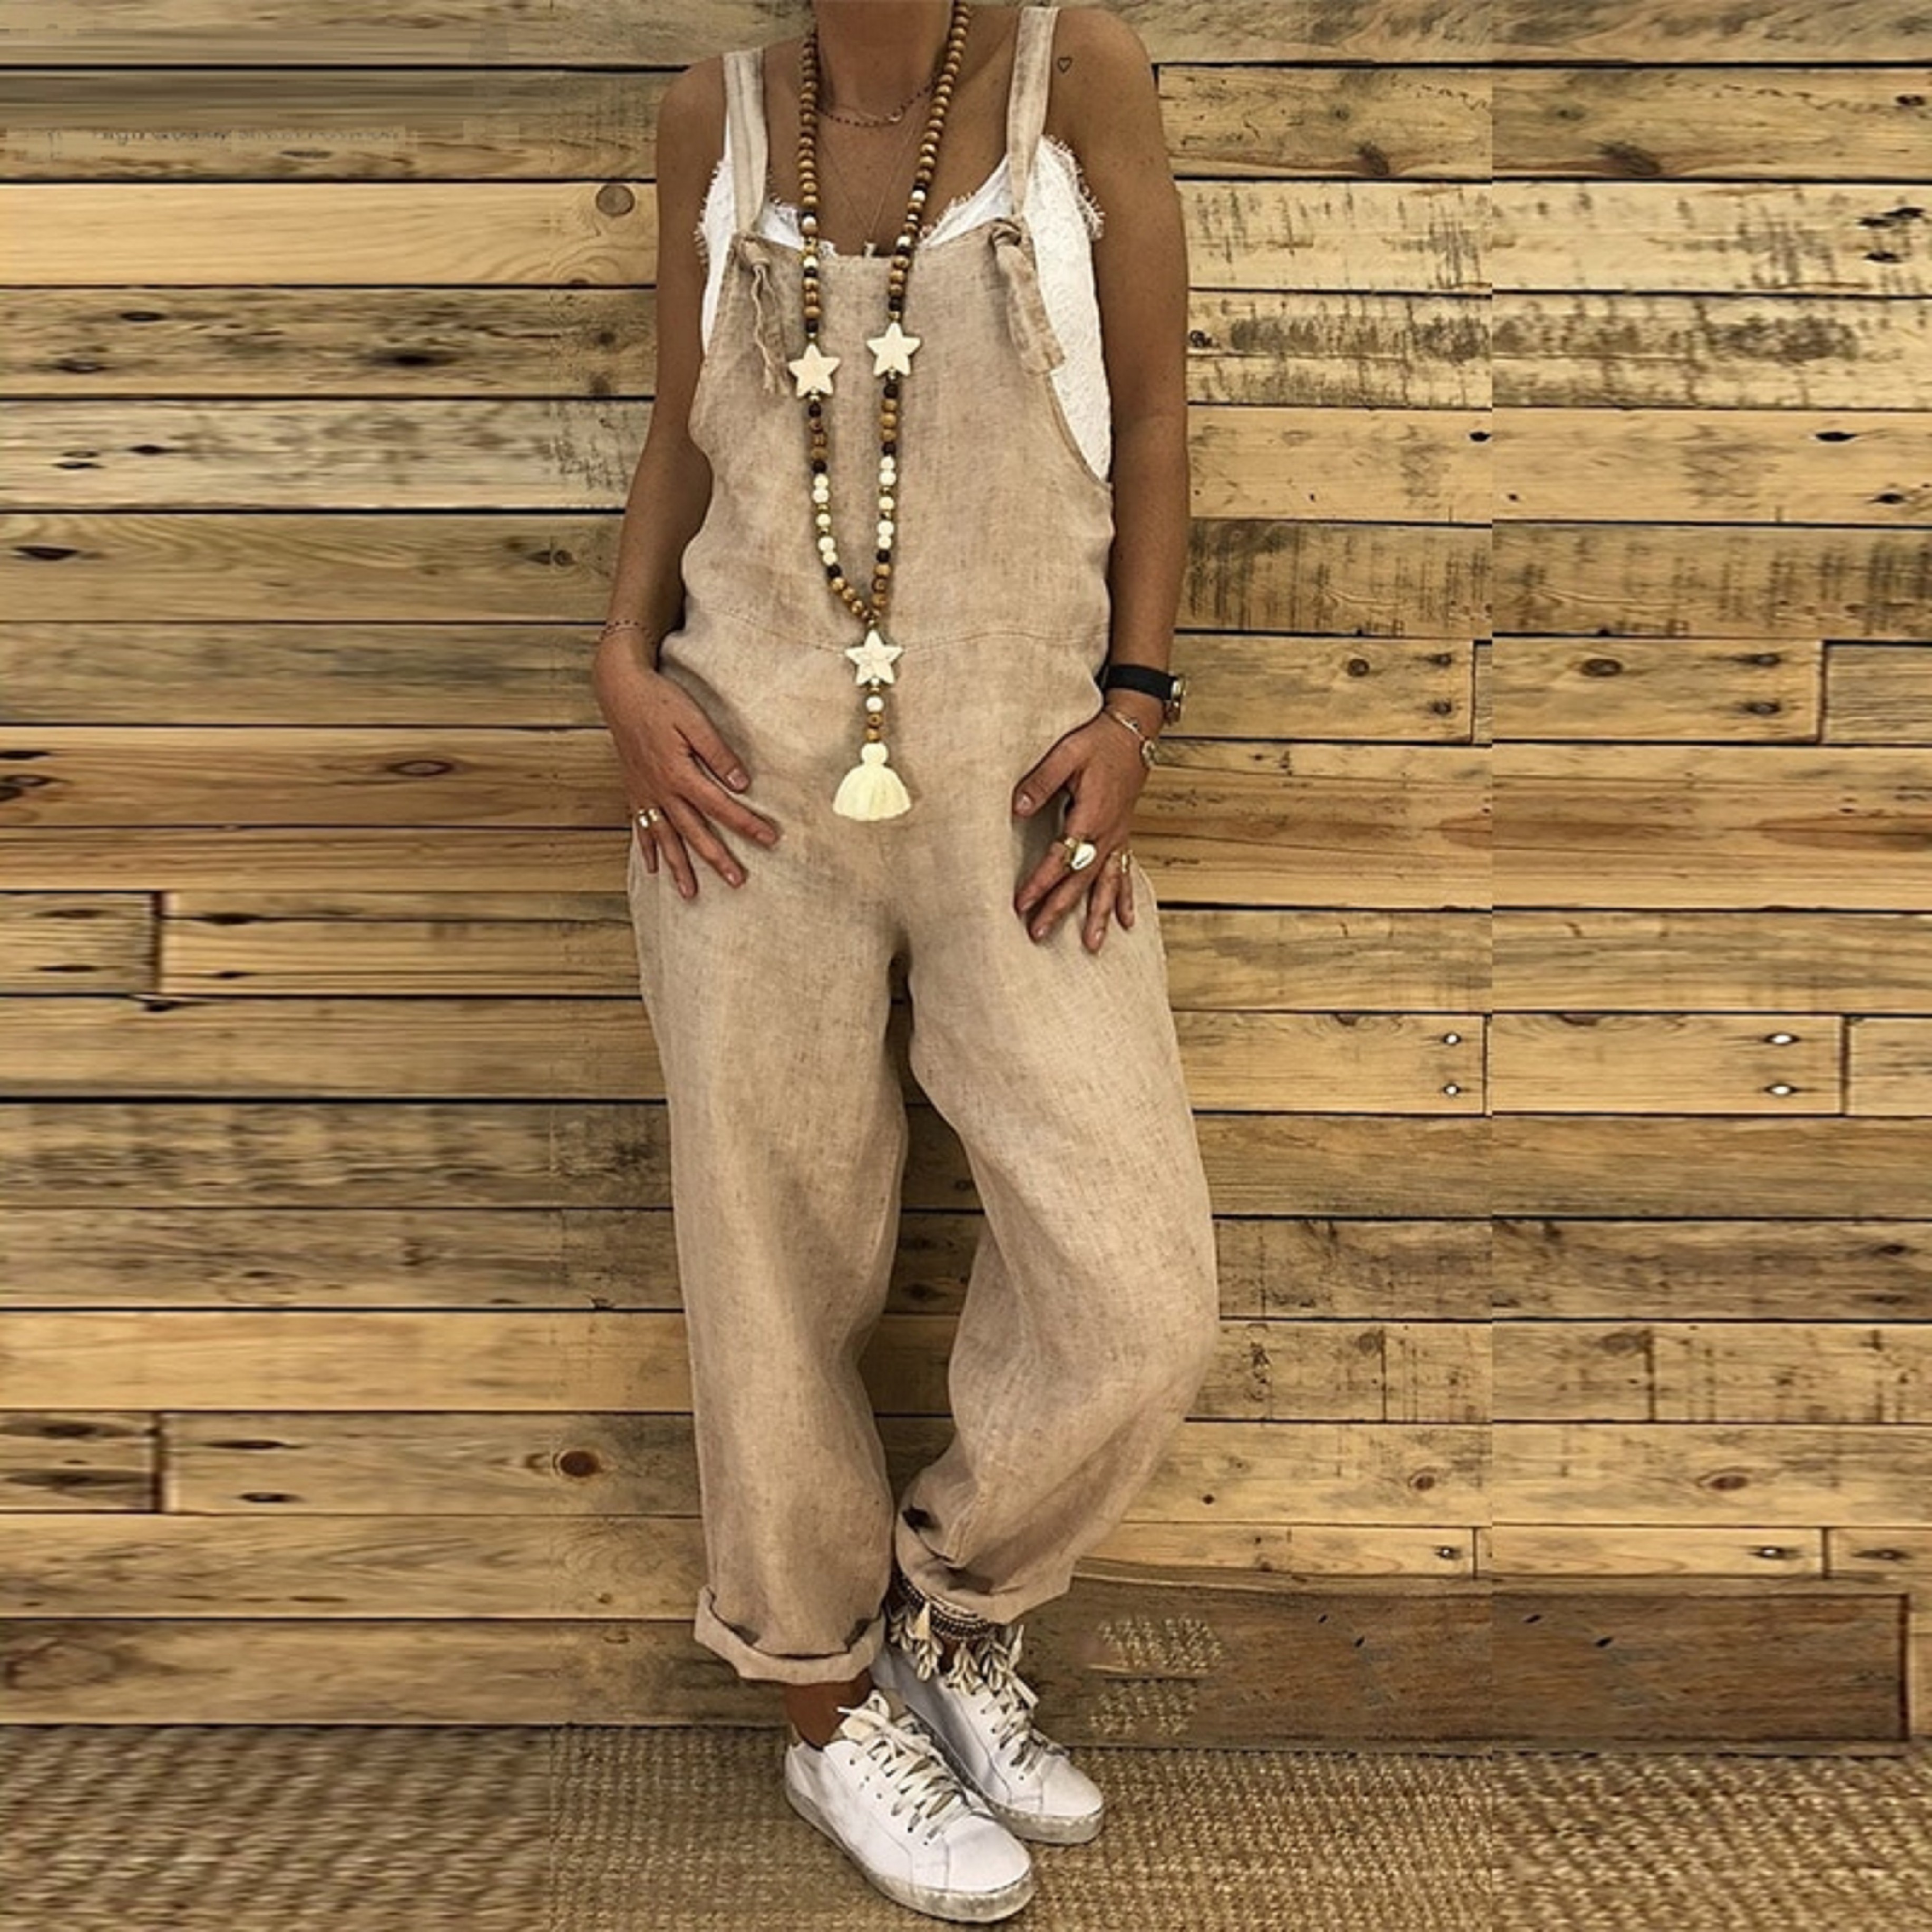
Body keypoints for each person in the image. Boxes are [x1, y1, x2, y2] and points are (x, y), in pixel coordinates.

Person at [591, 2, 1221, 1920]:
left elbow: (1155, 410)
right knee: (766, 1259)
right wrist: (619, 664)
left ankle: (950, 1615)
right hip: (741, 787)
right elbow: (681, 434)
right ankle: (819, 1697)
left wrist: (1135, 703)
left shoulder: (1073, 75)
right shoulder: (715, 111)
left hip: (1022, 792)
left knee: (1136, 1290)